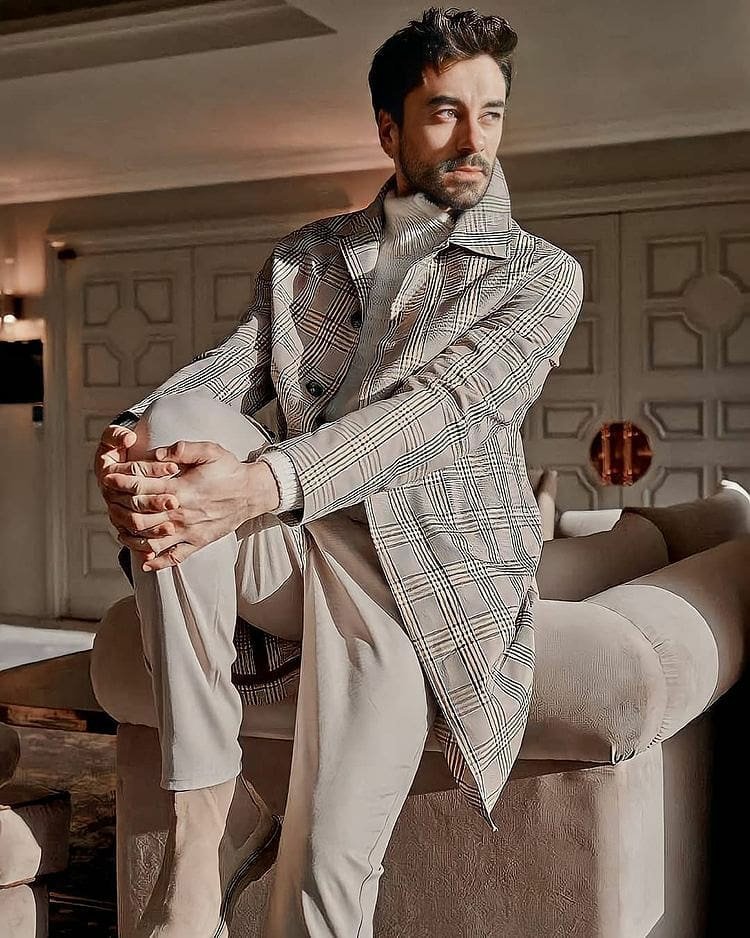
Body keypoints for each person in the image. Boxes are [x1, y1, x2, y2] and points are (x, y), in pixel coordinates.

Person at [91, 7, 583, 938]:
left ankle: (256, 852)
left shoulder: (539, 276)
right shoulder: (307, 257)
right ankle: (199, 838)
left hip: (413, 580)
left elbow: (438, 413)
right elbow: (232, 370)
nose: (474, 139)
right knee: (172, 429)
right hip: (295, 549)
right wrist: (126, 438)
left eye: (491, 114)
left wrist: (259, 483)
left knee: (324, 879)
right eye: (445, 112)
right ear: (389, 130)